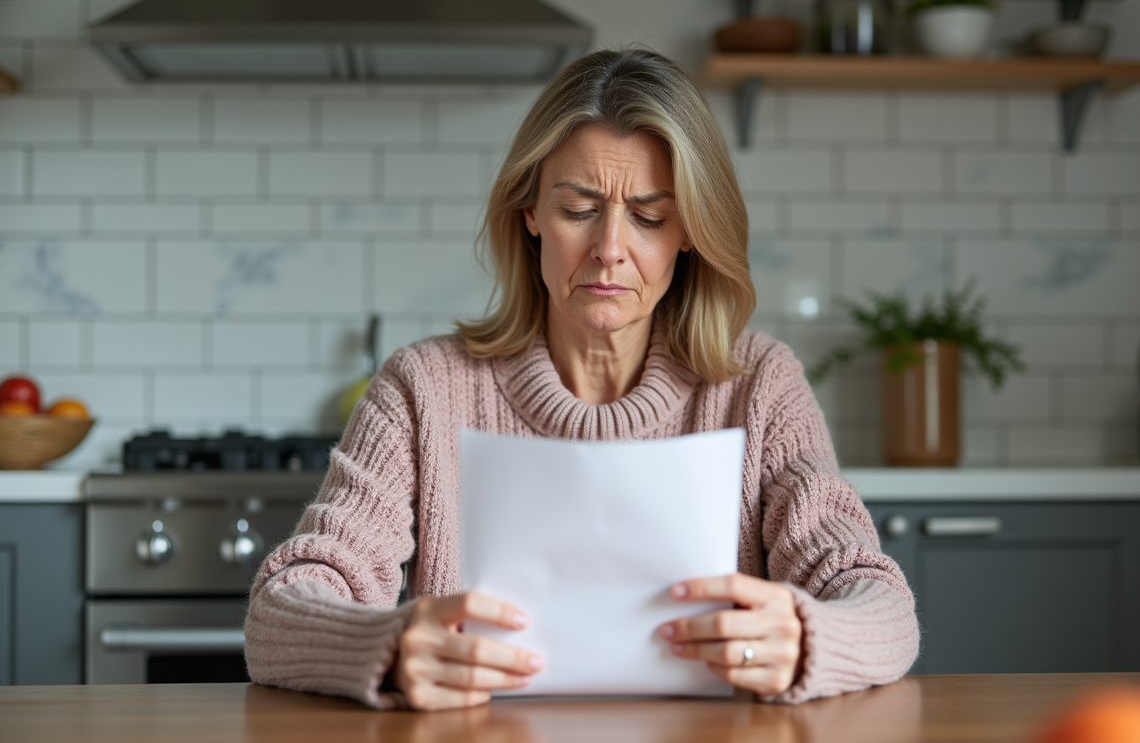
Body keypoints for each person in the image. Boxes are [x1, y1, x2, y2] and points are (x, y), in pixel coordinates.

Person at [244, 49, 919, 711]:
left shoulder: (759, 386)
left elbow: (880, 604)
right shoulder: (423, 388)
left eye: (649, 217)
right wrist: (388, 648)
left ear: (689, 231)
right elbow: (280, 613)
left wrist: (806, 639)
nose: (609, 250)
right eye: (578, 209)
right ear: (531, 213)